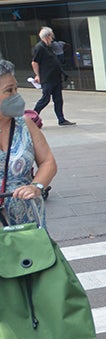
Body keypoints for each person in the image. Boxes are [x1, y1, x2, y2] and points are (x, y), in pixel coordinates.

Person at [0, 59, 57, 226]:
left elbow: (48, 162)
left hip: (28, 221)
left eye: (16, 89)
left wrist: (36, 186)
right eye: (9, 91)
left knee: (33, 253)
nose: (16, 95)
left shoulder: (25, 124)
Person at [31, 27, 74, 126]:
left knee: (58, 99)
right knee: (45, 99)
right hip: (47, 78)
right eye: (51, 36)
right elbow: (34, 63)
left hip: (56, 77)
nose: (52, 38)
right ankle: (32, 117)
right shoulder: (40, 47)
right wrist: (38, 75)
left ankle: (61, 119)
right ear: (47, 36)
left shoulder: (49, 47)